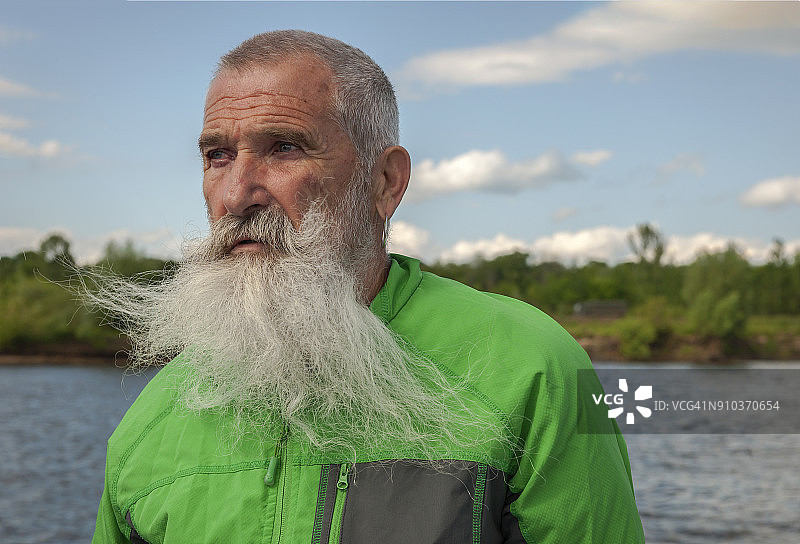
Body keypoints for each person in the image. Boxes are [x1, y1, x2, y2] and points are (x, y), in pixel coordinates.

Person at [91, 30, 645, 543]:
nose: (236, 195)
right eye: (218, 155)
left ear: (385, 182)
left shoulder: (529, 370)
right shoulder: (152, 420)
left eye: (284, 148)